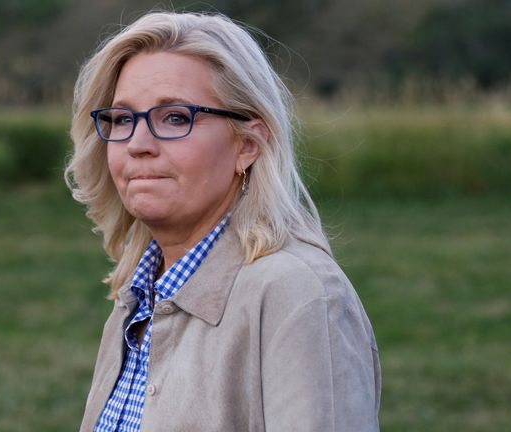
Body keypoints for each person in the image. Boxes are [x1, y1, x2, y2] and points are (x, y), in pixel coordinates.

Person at [65, 11, 380, 432]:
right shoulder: (140, 294)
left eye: (175, 117)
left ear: (248, 144)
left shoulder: (299, 294)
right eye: (123, 119)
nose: (138, 144)